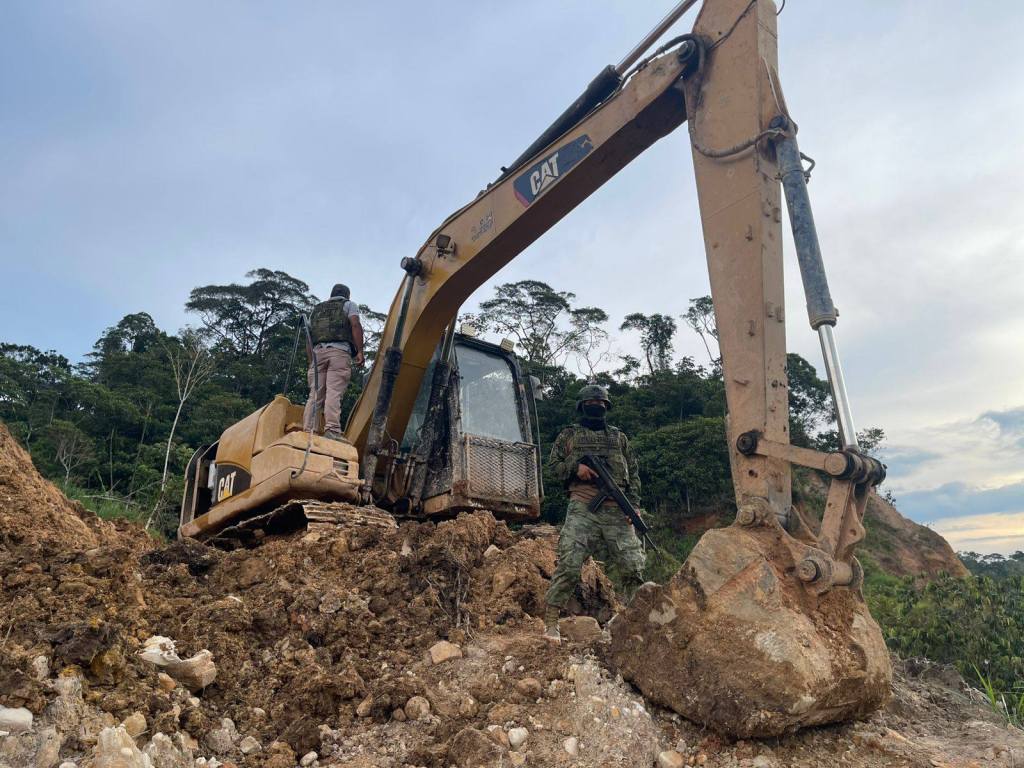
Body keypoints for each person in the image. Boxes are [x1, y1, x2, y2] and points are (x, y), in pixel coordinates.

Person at [543, 383, 646, 642]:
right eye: (592, 405)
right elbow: (552, 467)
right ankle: (551, 622)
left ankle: (635, 622)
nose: (596, 409)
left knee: (633, 566)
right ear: (582, 407)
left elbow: (633, 475)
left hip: (616, 509)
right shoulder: (568, 436)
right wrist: (576, 468)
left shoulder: (619, 438)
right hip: (583, 506)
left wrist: (633, 506)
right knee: (569, 563)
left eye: (601, 405)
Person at [303, 283, 365, 439]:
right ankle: (332, 429)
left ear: (331, 294)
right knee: (334, 392)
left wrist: (312, 361)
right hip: (339, 352)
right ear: (347, 295)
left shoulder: (316, 310)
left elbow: (308, 338)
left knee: (315, 394)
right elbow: (355, 325)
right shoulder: (349, 305)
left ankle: (309, 429)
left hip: (318, 353)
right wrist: (360, 351)